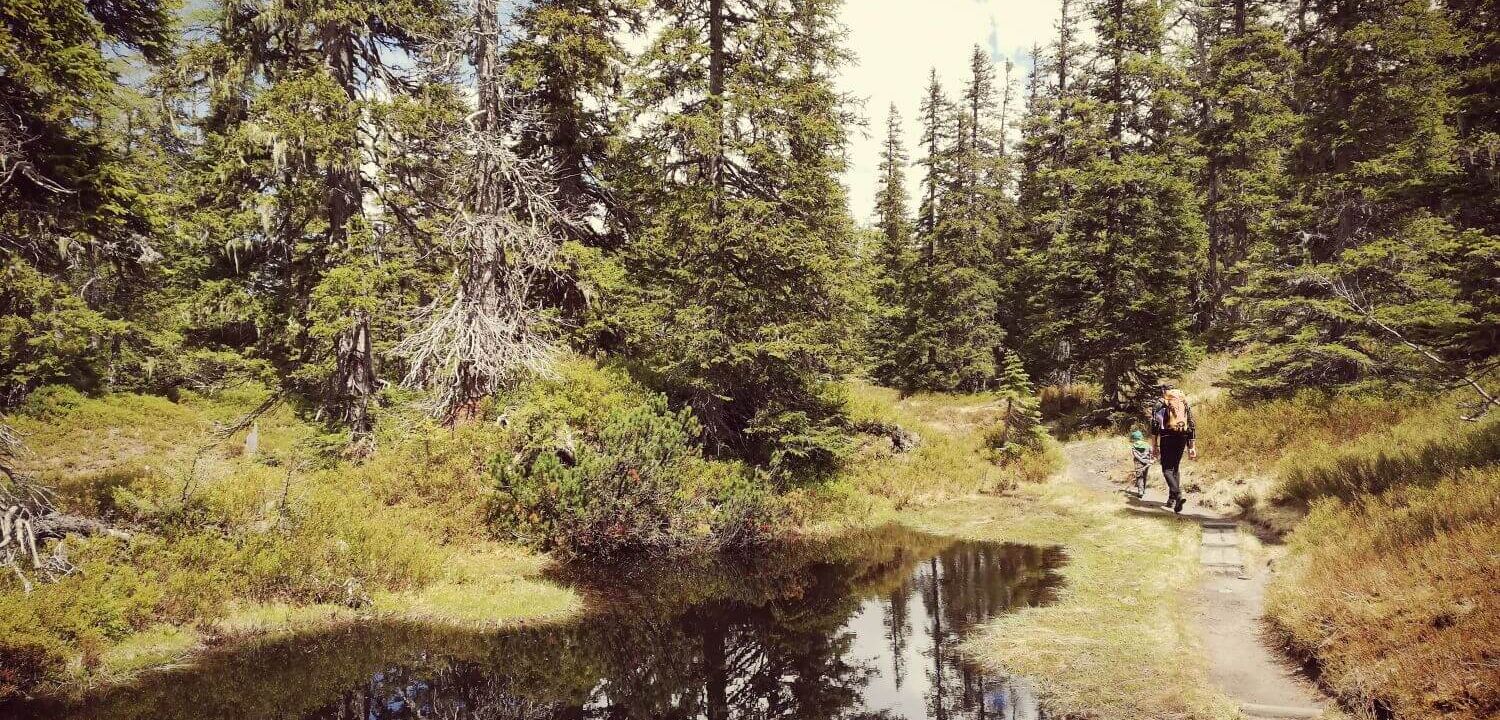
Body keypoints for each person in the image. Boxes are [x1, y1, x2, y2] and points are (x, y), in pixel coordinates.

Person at [1150, 383, 1197, 513]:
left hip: (1167, 437)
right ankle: (1173, 501)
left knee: (1166, 469)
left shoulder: (1160, 403)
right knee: (1175, 467)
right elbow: (1191, 424)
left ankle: (1177, 494)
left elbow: (1155, 426)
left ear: (1163, 391)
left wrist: (1154, 446)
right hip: (1182, 437)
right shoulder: (1184, 402)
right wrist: (1191, 446)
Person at [1129, 430, 1152, 498]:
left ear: (1134, 438)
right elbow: (1151, 452)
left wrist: (1140, 459)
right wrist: (1149, 460)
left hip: (1138, 462)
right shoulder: (1147, 444)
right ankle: (1143, 490)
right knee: (1145, 475)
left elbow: (1135, 455)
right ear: (1141, 437)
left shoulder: (1134, 446)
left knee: (1139, 476)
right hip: (1147, 462)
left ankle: (1140, 491)